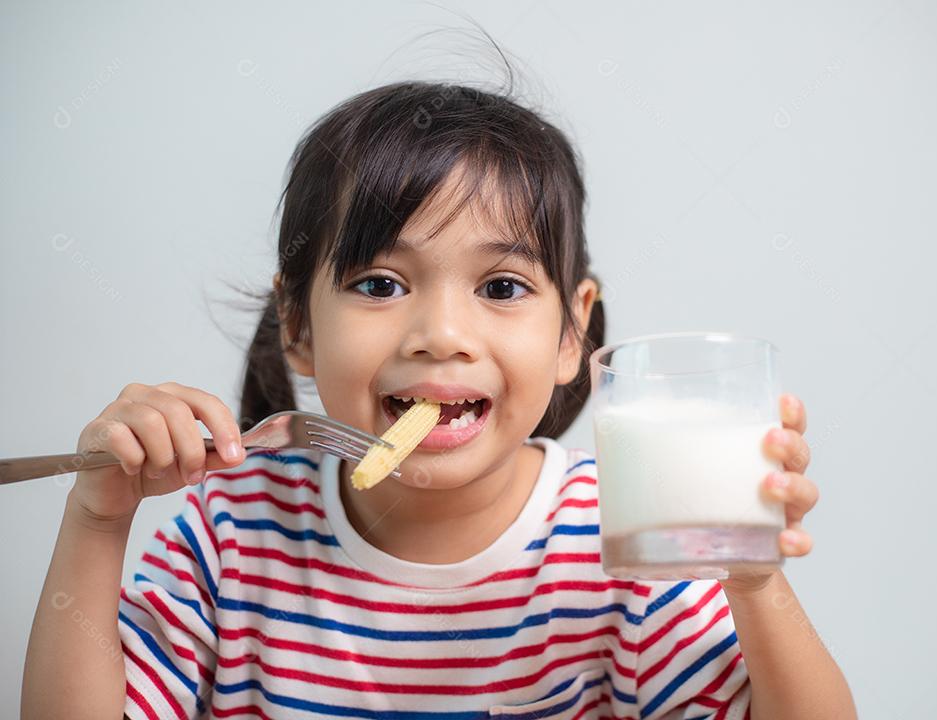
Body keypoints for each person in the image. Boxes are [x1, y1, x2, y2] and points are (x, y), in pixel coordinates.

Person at [22, 81, 855, 719]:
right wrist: (97, 519)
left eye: (500, 285)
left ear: (572, 333)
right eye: (380, 283)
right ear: (296, 328)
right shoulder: (232, 528)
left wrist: (753, 584)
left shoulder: (620, 535)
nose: (441, 333)